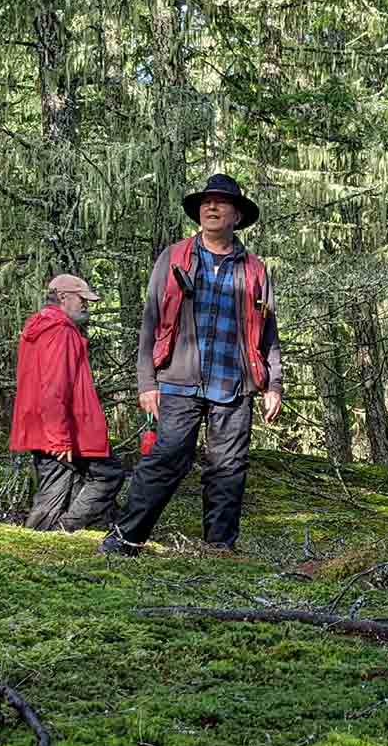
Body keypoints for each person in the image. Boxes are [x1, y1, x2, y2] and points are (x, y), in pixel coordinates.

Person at [103, 173, 283, 555]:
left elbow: (268, 331)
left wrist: (274, 384)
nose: (212, 207)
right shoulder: (174, 258)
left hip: (234, 385)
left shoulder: (255, 269)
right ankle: (125, 539)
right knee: (167, 458)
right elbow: (150, 321)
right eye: (206, 202)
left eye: (221, 202)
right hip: (178, 382)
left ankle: (219, 548)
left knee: (228, 469)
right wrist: (146, 382)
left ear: (236, 215)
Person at [10, 273, 125, 532]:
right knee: (107, 474)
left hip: (44, 426)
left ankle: (60, 534)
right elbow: (55, 387)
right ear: (63, 297)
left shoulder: (41, 327)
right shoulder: (59, 331)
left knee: (61, 483)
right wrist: (59, 437)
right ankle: (63, 531)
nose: (86, 304)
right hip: (61, 429)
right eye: (81, 298)